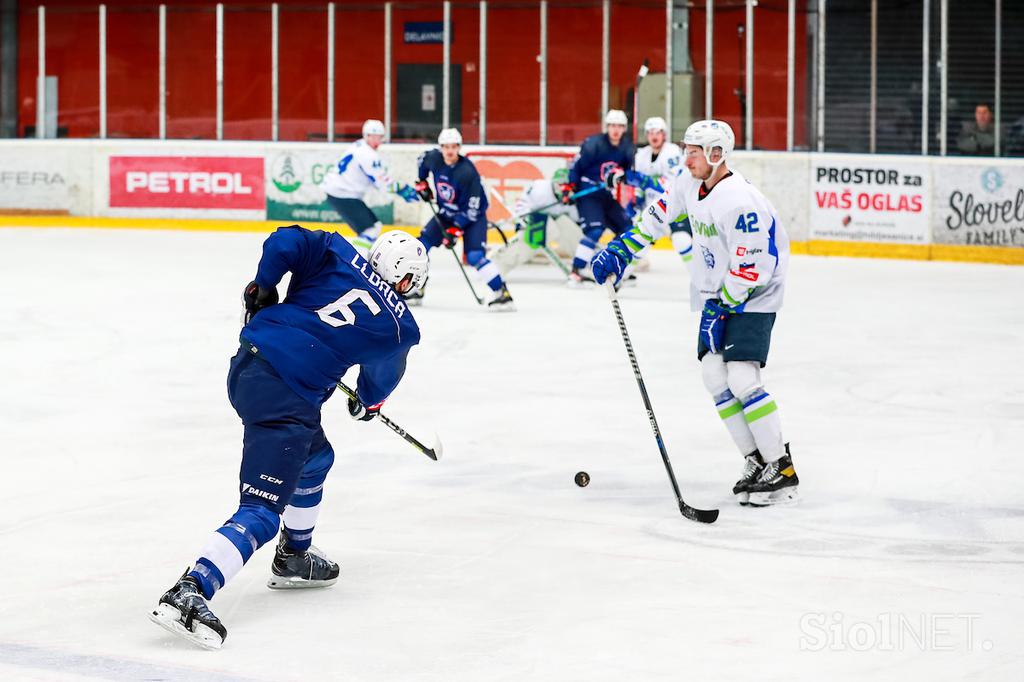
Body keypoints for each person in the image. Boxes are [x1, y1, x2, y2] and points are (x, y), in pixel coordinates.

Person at [149, 226, 429, 649]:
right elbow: (380, 381)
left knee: (316, 458)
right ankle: (190, 590)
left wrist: (264, 286)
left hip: (249, 363)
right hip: (285, 398)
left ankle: (294, 556)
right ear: (407, 280)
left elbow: (283, 242)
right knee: (261, 509)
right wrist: (369, 403)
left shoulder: (337, 250)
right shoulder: (400, 327)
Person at [590, 120, 799, 507]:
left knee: (741, 375)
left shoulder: (739, 200)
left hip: (754, 294)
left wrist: (722, 306)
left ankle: (781, 467)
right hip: (719, 294)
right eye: (685, 150)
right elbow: (657, 216)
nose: (686, 158)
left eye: (693, 151)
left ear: (717, 155)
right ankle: (755, 461)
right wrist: (622, 249)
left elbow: (754, 266)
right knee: (713, 374)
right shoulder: (688, 183)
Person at [412, 127, 515, 310]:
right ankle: (416, 288)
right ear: (441, 147)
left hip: (472, 218)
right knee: (420, 246)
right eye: (446, 146)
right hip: (446, 213)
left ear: (459, 147)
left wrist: (456, 228)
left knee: (475, 256)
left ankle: (502, 293)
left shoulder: (467, 172)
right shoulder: (434, 158)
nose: (450, 151)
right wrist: (422, 182)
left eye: (454, 146)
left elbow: (473, 208)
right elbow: (422, 161)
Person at [561, 110, 636, 284]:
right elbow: (576, 167)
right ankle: (577, 270)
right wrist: (569, 187)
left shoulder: (627, 147)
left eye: (619, 126)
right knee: (595, 230)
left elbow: (627, 172)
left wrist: (621, 176)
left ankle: (615, 263)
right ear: (607, 127)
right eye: (612, 126)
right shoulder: (593, 144)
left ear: (624, 128)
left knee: (628, 228)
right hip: (588, 194)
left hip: (606, 195)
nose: (615, 130)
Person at [322, 119, 419, 253]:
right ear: (366, 136)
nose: (378, 141)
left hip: (339, 192)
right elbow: (382, 183)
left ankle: (355, 259)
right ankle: (355, 262)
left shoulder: (358, 146)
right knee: (370, 229)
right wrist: (402, 189)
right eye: (375, 137)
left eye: (380, 137)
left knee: (372, 228)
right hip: (342, 194)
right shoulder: (368, 155)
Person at [490, 167, 583, 275]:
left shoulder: (574, 198)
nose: (561, 188)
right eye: (559, 184)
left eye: (566, 185)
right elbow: (523, 204)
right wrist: (522, 221)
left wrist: (576, 205)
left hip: (556, 222)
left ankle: (584, 264)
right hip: (536, 221)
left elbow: (577, 221)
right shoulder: (540, 188)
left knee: (571, 230)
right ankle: (499, 267)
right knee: (529, 241)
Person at [633, 116, 693, 266]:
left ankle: (700, 278)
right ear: (647, 135)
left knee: (681, 239)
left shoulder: (673, 152)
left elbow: (672, 183)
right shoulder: (641, 155)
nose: (654, 136)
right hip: (652, 206)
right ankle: (621, 279)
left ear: (664, 134)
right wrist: (637, 198)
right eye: (651, 132)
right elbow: (639, 185)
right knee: (639, 243)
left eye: (658, 132)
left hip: (674, 204)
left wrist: (649, 181)